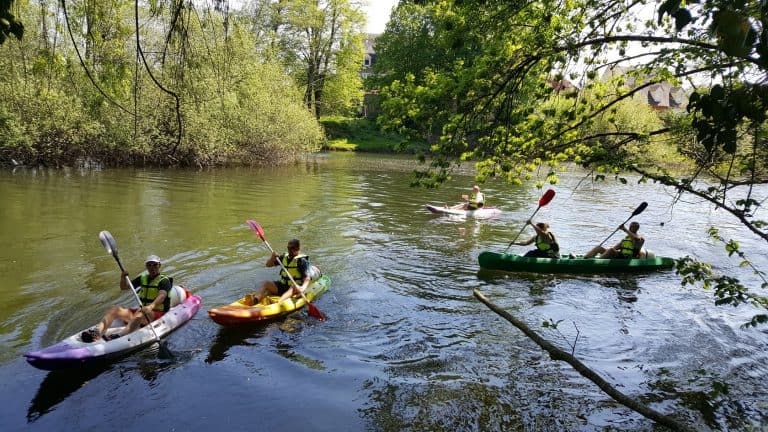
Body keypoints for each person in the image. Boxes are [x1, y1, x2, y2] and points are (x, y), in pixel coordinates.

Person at [81, 255, 172, 342]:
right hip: (143, 312)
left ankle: (121, 335)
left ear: (159, 265)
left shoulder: (164, 281)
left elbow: (162, 296)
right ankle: (97, 332)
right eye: (149, 265)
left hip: (157, 313)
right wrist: (123, 278)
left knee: (141, 311)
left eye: (155, 264)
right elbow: (124, 287)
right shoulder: (143, 278)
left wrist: (150, 307)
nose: (152, 267)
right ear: (146, 266)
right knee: (114, 309)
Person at [247, 239, 311, 305]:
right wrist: (272, 258)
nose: (290, 250)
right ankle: (256, 299)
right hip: (282, 286)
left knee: (294, 286)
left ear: (298, 248)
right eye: (288, 248)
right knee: (266, 283)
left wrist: (302, 288)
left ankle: (278, 302)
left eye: (292, 248)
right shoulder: (284, 257)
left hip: (294, 288)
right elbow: (268, 265)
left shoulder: (302, 261)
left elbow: (307, 278)